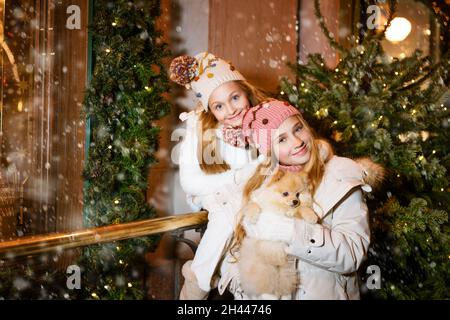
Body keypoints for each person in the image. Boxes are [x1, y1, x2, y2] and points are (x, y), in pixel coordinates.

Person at [229, 99, 383, 299]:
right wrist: (246, 291)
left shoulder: (340, 175)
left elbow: (352, 254)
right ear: (269, 152)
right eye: (281, 139)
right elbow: (234, 254)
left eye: (298, 129)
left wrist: (294, 233)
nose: (297, 142)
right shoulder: (260, 184)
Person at [169, 52, 268, 299]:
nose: (231, 109)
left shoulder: (265, 120)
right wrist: (238, 179)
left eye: (235, 97)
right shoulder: (199, 132)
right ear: (210, 110)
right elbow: (190, 182)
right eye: (219, 106)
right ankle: (196, 284)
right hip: (214, 195)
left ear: (247, 92)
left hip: (258, 199)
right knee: (226, 217)